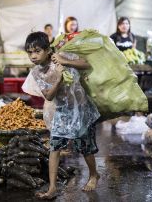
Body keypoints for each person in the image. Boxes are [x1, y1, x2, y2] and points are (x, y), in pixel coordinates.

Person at [25, 32, 100, 199]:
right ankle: (52, 188)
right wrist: (58, 79)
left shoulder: (62, 55)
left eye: (37, 51)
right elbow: (49, 96)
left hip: (80, 109)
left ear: (47, 50)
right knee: (55, 147)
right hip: (62, 111)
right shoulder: (37, 72)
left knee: (84, 146)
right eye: (29, 52)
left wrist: (65, 61)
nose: (33, 56)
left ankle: (94, 174)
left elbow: (86, 63)